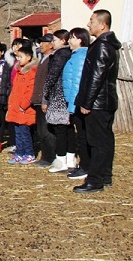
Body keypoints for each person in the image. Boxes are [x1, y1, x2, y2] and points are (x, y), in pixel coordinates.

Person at [73, 9, 121, 193]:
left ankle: (95, 181)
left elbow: (96, 76)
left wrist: (87, 101)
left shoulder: (102, 46)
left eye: (92, 21)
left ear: (102, 24)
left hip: (99, 102)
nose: (88, 24)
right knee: (106, 140)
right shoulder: (107, 44)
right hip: (105, 101)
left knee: (97, 142)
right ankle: (105, 176)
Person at [42, 29, 73, 173]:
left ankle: (61, 161)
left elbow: (52, 75)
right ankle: (70, 158)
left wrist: (46, 91)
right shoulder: (68, 54)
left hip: (59, 96)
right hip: (64, 94)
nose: (52, 43)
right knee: (68, 129)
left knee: (61, 129)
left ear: (63, 41)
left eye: (55, 40)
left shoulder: (61, 55)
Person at [63, 28, 90, 180]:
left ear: (80, 39)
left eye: (72, 38)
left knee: (83, 136)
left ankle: (86, 166)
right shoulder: (75, 56)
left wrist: (73, 105)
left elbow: (77, 83)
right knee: (81, 135)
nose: (69, 42)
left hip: (77, 102)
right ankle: (84, 164)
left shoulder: (80, 57)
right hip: (74, 101)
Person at [6, 46, 38, 164]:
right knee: (18, 133)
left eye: (21, 57)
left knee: (25, 133)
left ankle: (29, 153)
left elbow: (30, 91)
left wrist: (23, 105)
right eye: (17, 57)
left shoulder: (31, 72)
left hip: (24, 109)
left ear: (29, 57)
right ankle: (19, 153)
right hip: (16, 108)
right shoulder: (19, 72)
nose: (18, 59)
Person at [30, 34, 57, 168]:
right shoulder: (42, 59)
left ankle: (50, 156)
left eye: (44, 42)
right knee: (40, 130)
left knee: (46, 130)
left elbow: (49, 81)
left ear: (51, 44)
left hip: (45, 100)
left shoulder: (51, 59)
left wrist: (45, 99)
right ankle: (45, 155)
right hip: (38, 99)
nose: (41, 45)